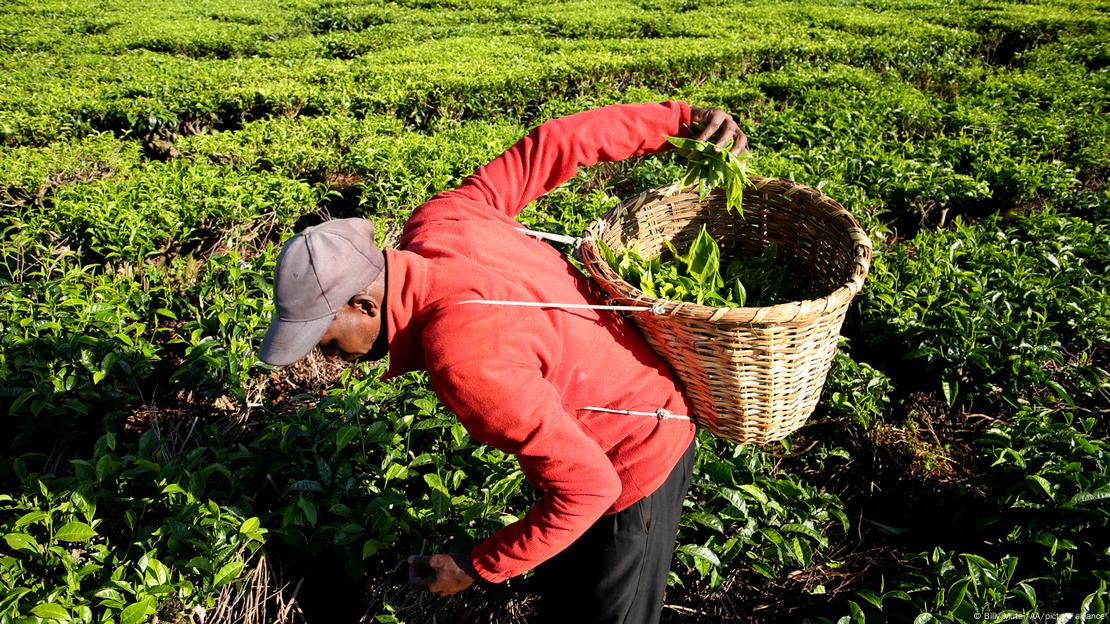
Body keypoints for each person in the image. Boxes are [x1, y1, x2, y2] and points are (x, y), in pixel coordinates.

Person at [258, 101, 747, 623]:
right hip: (624, 394)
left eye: (326, 339)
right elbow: (555, 144)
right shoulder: (440, 221)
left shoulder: (464, 358)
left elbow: (590, 488)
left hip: (636, 460)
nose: (330, 356)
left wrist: (475, 565)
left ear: (365, 305)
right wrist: (677, 120)